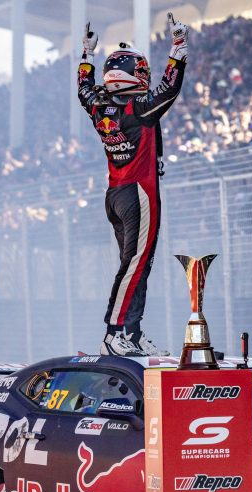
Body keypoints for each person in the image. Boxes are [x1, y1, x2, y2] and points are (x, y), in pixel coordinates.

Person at [77, 14, 189, 356]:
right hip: (139, 195)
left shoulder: (98, 105)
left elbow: (83, 88)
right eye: (141, 70)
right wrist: (178, 48)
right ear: (129, 74)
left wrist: (87, 55)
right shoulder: (139, 107)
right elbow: (170, 88)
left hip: (115, 195)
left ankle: (133, 334)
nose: (145, 76)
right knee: (135, 265)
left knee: (138, 265)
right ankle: (114, 333)